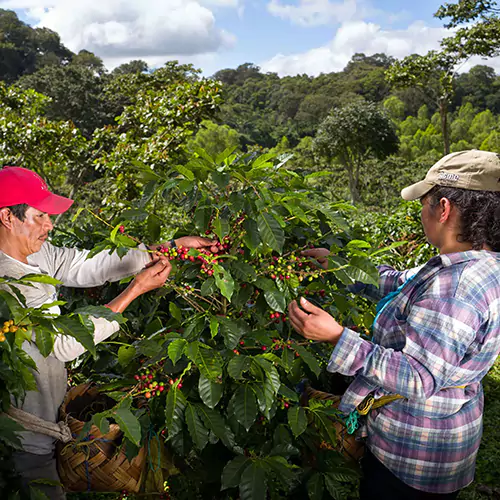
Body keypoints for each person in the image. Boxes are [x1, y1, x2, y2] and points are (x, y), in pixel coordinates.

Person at [288, 150, 500, 499]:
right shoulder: (475, 264)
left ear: (443, 208)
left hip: (412, 454)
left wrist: (339, 338)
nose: (422, 212)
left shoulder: (455, 289)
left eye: (425, 203)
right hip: (446, 437)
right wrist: (341, 268)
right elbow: (401, 282)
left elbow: (419, 377)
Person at [0, 166, 217, 499]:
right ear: (7, 217)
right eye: (40, 216)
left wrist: (172, 246)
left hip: (52, 421)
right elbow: (64, 344)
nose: (49, 225)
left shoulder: (36, 252)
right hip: (26, 438)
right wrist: (133, 292)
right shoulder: (8, 285)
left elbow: (86, 266)